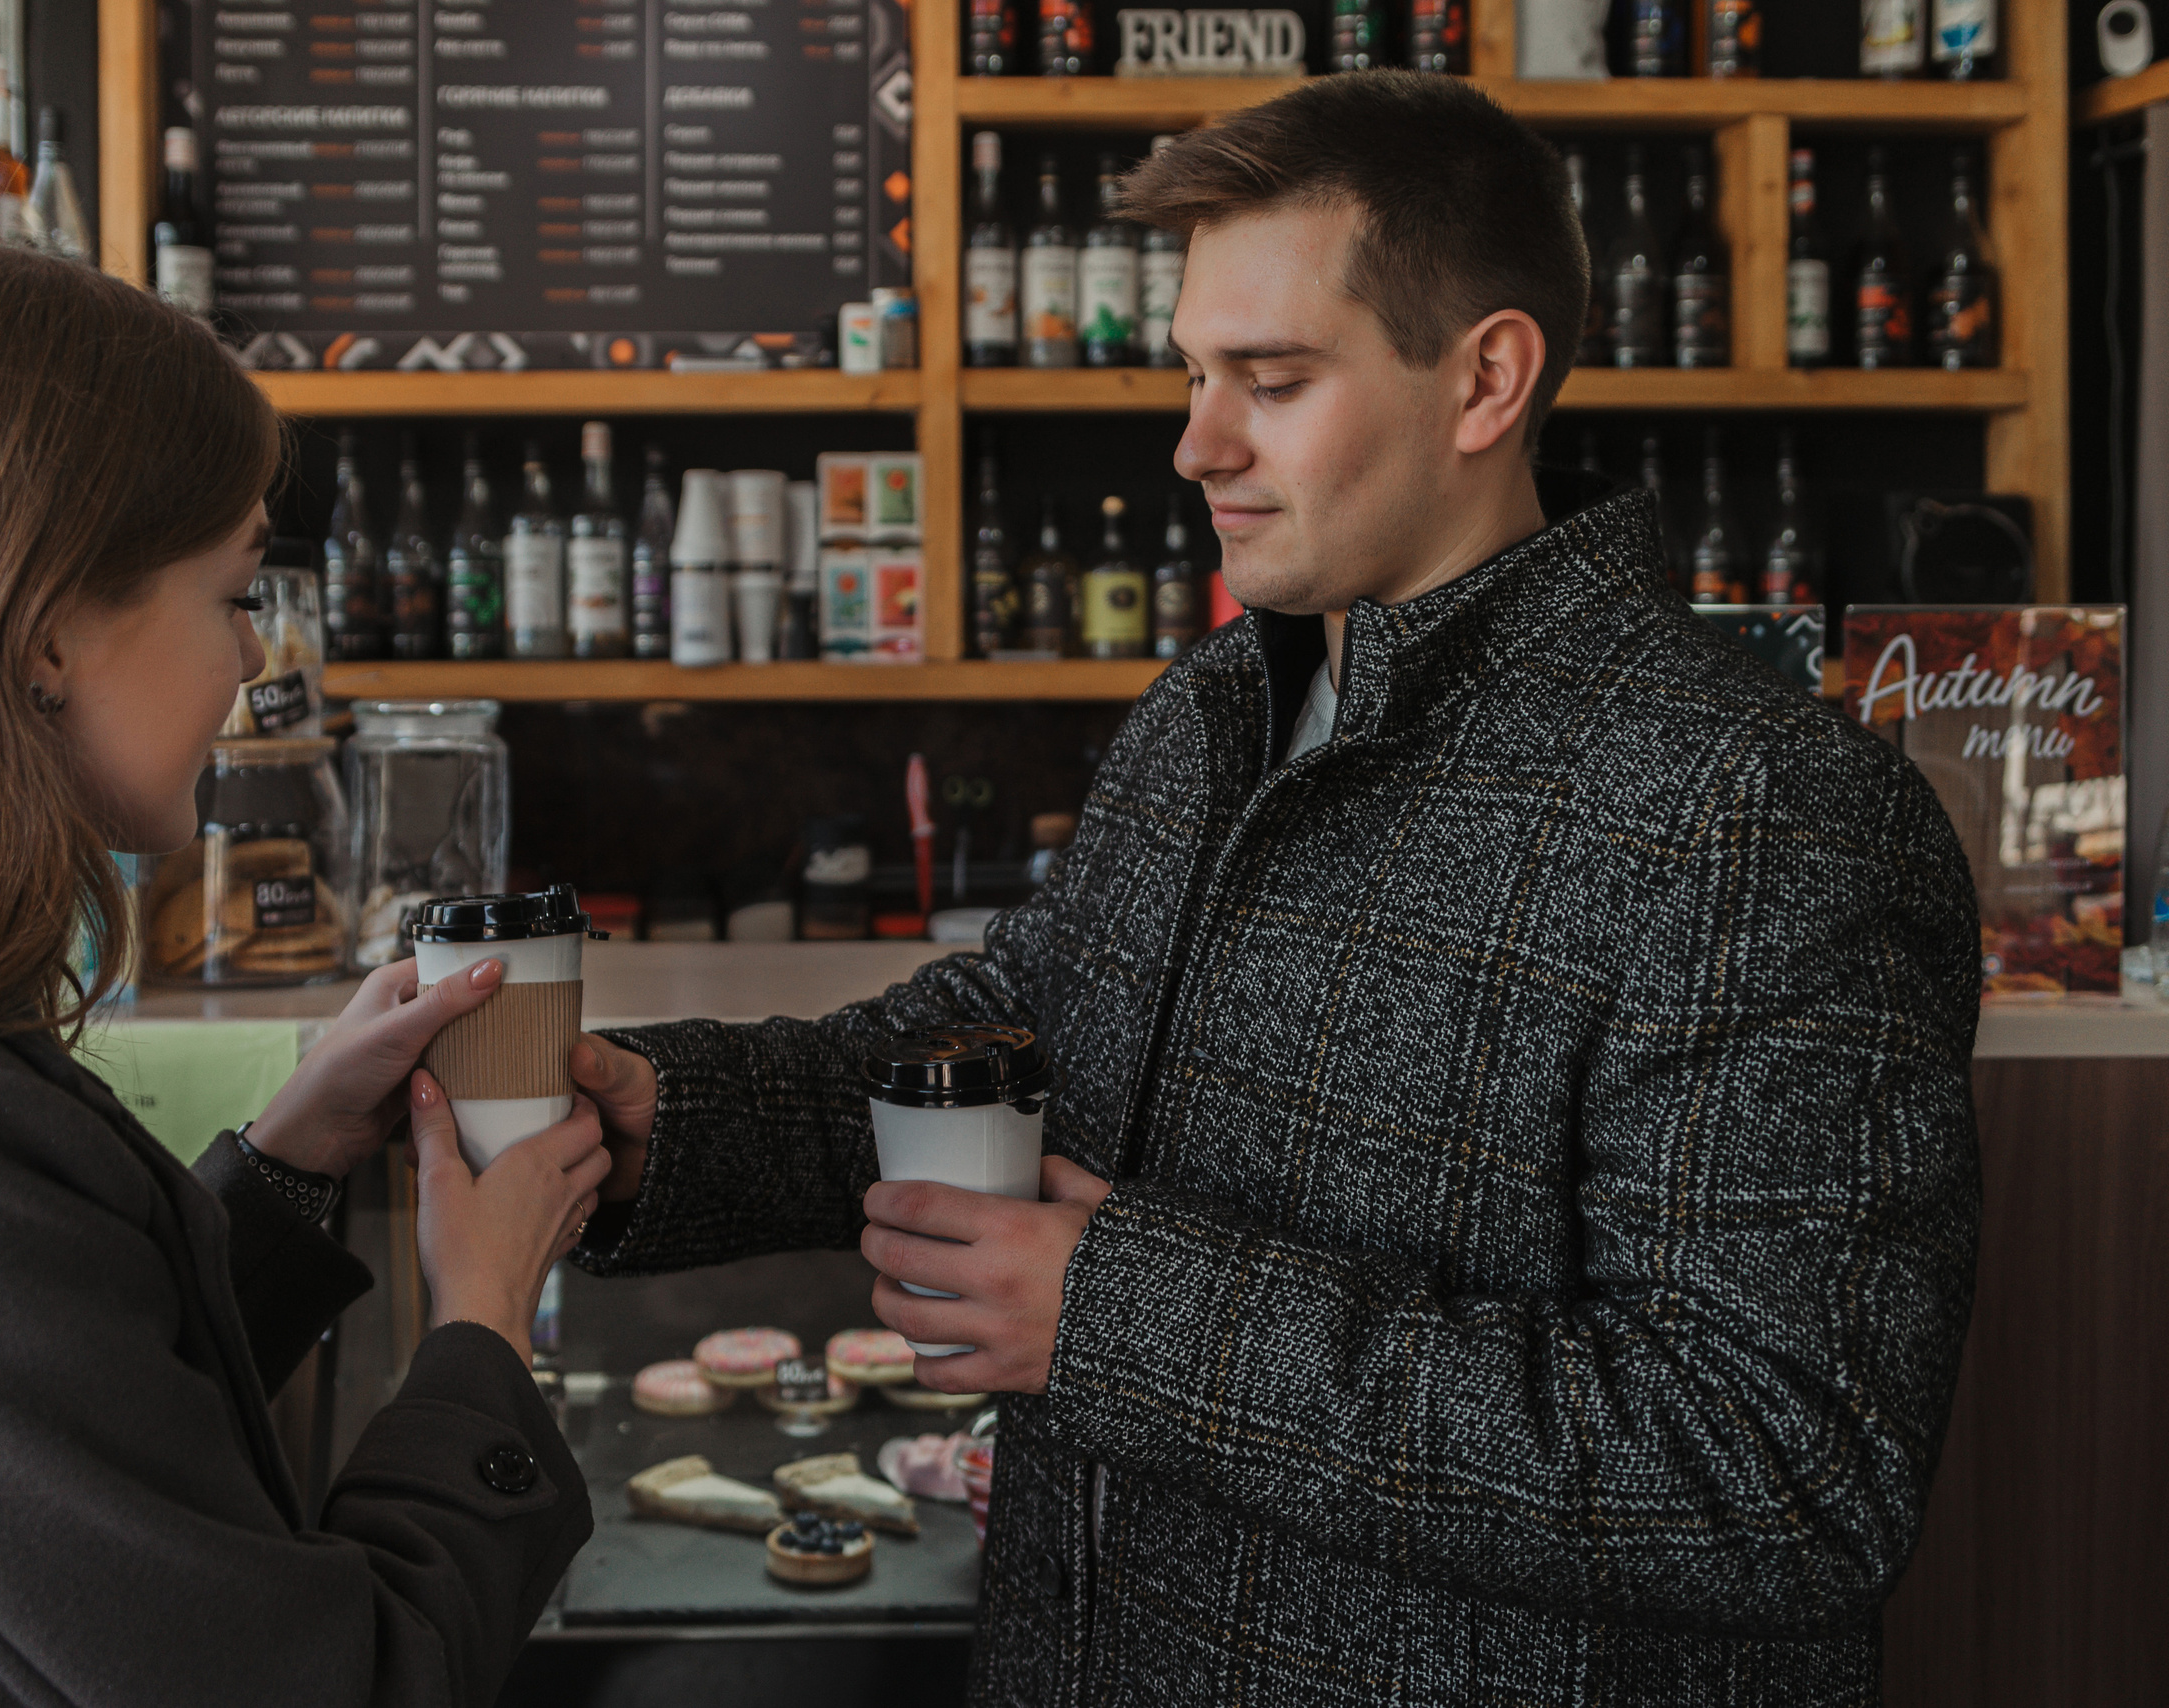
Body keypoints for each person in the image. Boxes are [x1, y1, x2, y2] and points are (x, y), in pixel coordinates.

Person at [567, 73, 1981, 1706]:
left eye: (1273, 379)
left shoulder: (1760, 806)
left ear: (1487, 380)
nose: (1196, 443)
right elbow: (1016, 1024)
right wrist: (660, 1122)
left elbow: (1783, 1474)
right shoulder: (1216, 706)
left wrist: (1120, 1316)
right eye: (1191, 374)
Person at [0, 228, 607, 1705]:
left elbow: (41, 1469)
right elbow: (330, 1687)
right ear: (46, 631)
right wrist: (481, 1329)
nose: (255, 665)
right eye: (231, 594)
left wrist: (285, 1164)